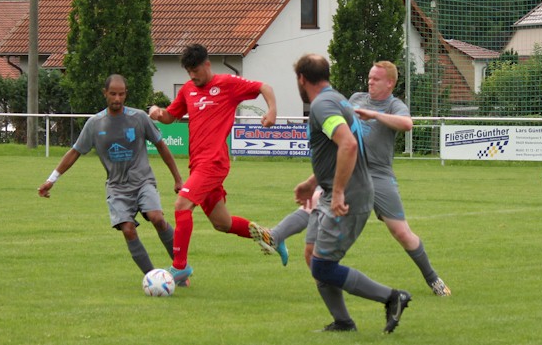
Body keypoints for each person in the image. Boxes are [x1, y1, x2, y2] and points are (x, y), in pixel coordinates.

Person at [253, 61, 451, 296]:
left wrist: (374, 115)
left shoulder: (394, 105)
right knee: (316, 200)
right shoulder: (356, 98)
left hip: (378, 174)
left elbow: (407, 124)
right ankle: (275, 236)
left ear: (390, 83)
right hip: (351, 168)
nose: (370, 82)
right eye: (369, 77)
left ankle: (433, 279)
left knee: (401, 232)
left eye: (376, 79)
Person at [290, 54, 411, 334]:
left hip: (349, 195)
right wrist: (312, 182)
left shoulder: (322, 105)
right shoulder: (338, 99)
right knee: (312, 254)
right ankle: (343, 322)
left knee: (322, 266)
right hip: (332, 190)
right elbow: (336, 150)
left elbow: (348, 145)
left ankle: (392, 297)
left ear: (302, 79)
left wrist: (339, 192)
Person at [148, 43, 284, 286]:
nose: (192, 76)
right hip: (197, 164)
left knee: (181, 205)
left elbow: (265, 87)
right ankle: (271, 237)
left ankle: (180, 267)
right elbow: (170, 117)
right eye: (188, 71)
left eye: (195, 70)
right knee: (223, 223)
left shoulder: (227, 84)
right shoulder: (188, 90)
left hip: (214, 162)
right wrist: (157, 112)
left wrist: (272, 110)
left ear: (207, 64)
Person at [38, 74, 183, 276]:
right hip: (117, 188)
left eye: (121, 94)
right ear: (105, 93)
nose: (117, 98)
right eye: (113, 94)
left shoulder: (139, 118)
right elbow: (75, 152)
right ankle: (152, 278)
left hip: (143, 181)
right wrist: (51, 180)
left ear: (126, 94)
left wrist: (178, 179)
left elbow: (161, 146)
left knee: (157, 218)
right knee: (128, 229)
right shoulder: (95, 124)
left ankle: (180, 267)